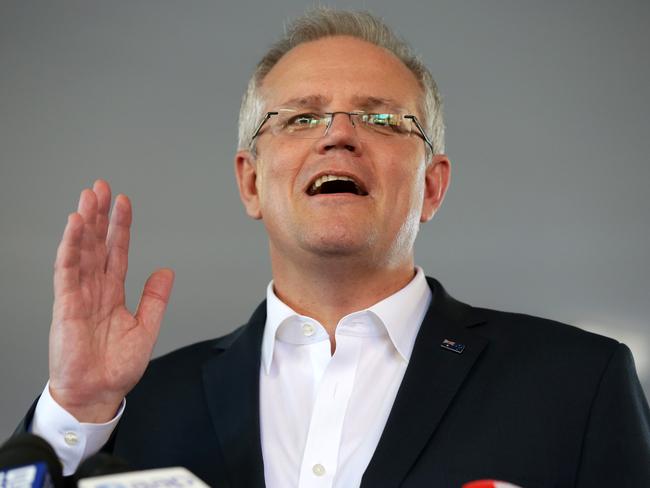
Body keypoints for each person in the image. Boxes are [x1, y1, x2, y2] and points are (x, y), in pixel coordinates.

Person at [16, 8, 650, 488]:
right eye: (300, 118)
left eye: (380, 119)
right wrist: (76, 405)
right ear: (250, 181)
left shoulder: (578, 384)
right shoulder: (135, 405)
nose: (340, 135)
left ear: (431, 186)